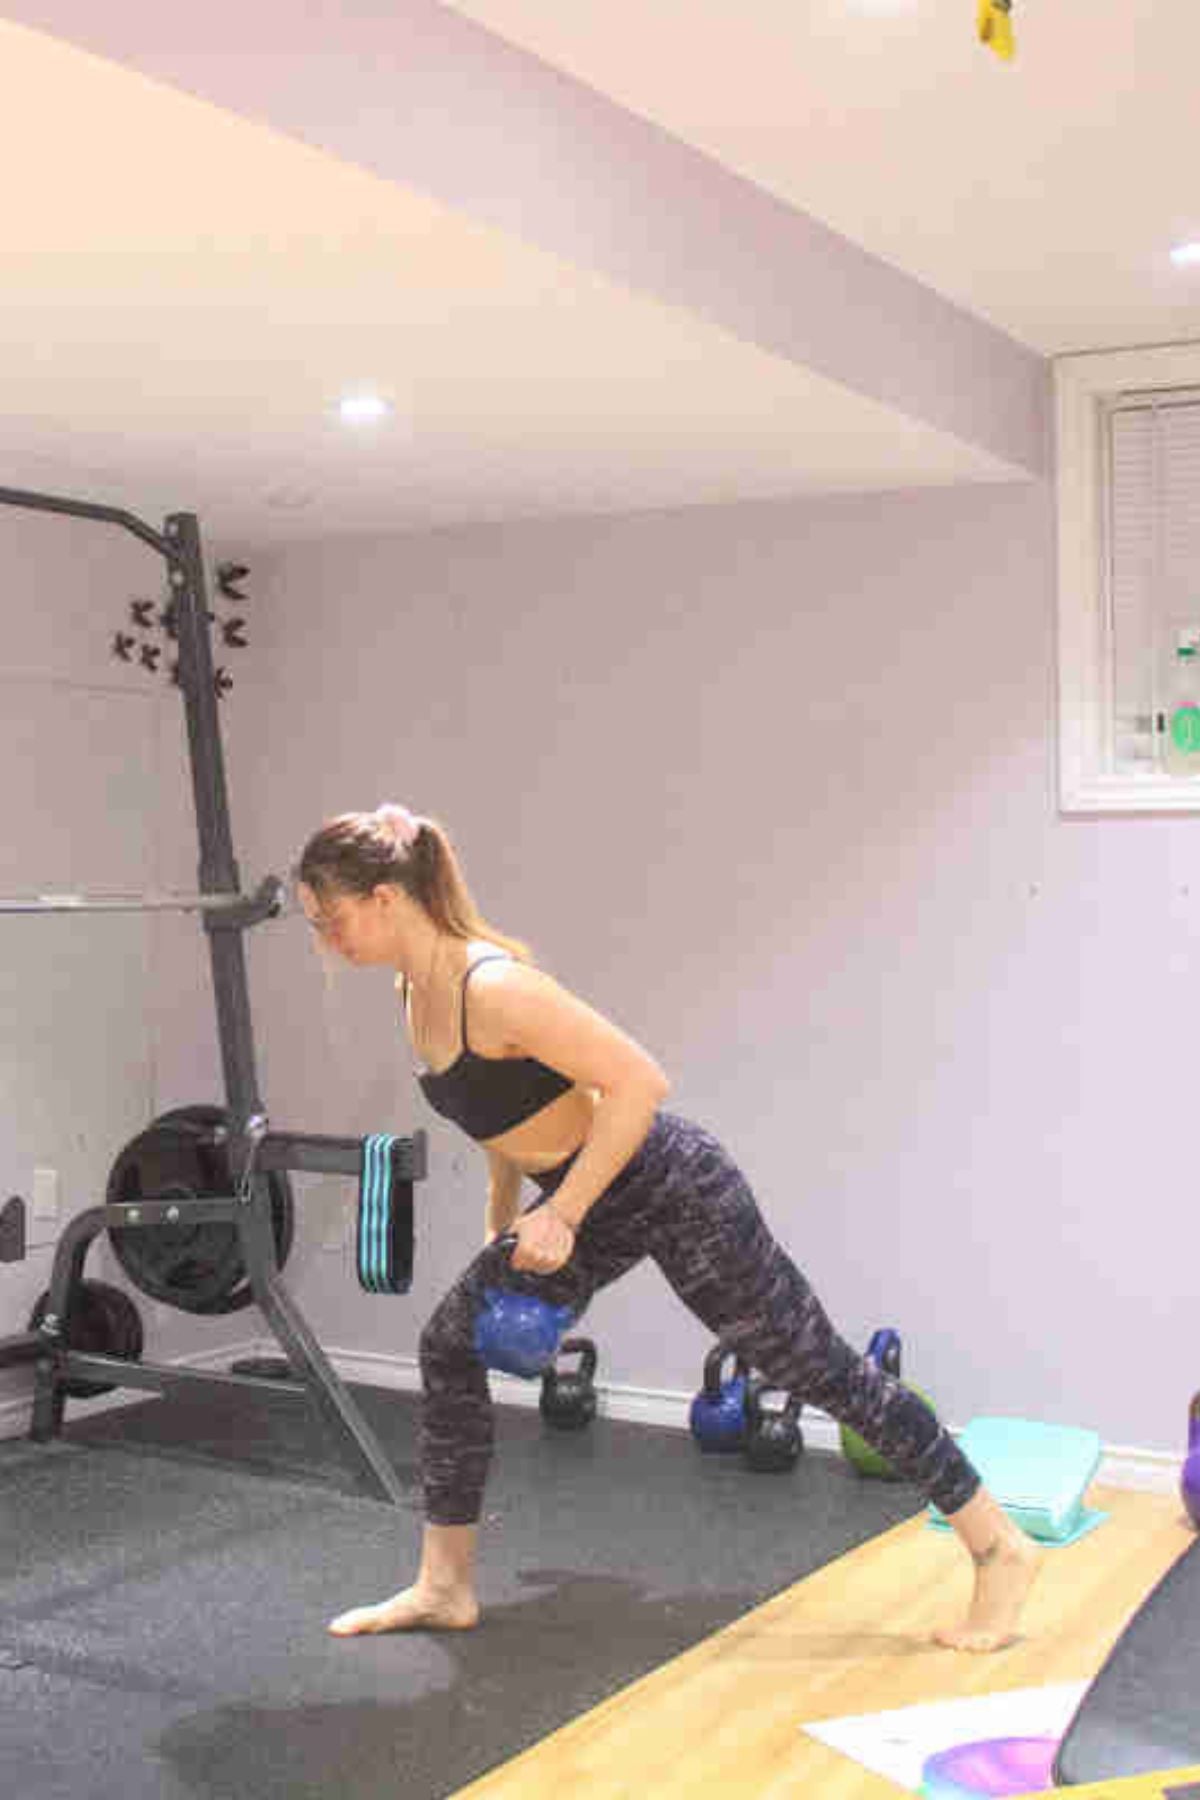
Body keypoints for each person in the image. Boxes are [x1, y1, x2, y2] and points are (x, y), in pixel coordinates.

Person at [296, 804, 1040, 1653]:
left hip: (671, 1183)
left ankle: (999, 1546)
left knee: (816, 1368)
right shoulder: (412, 992)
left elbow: (640, 1084)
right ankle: (444, 1585)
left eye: (334, 918)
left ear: (387, 897)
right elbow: (502, 1115)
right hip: (581, 1195)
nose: (328, 939)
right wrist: (506, 1226)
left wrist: (565, 1212)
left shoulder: (492, 985)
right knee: (449, 1343)